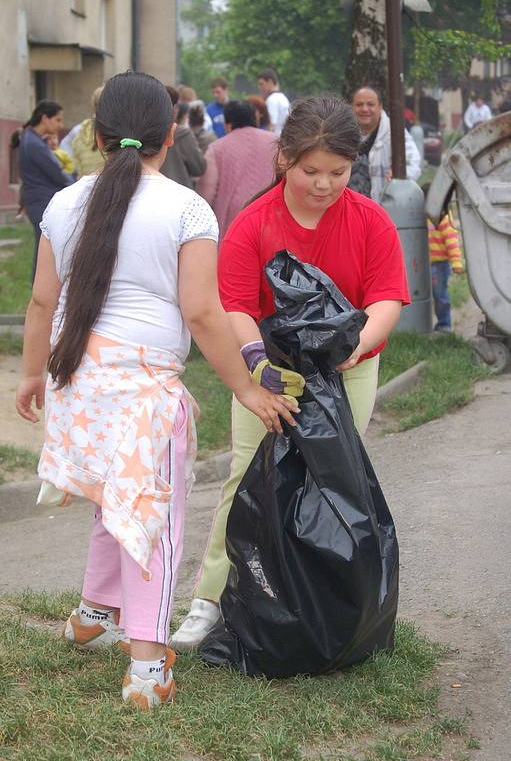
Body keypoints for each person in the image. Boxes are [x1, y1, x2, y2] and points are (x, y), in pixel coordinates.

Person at [15, 71, 297, 709]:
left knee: (113, 502)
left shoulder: (63, 202)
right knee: (152, 521)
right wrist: (248, 387)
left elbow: (40, 301)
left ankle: (93, 614)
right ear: (172, 135)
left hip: (77, 384)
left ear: (96, 133)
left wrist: (32, 374)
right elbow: (202, 314)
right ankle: (147, 667)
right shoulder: (185, 208)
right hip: (142, 390)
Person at [171, 95, 411, 652]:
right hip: (270, 372)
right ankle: (208, 601)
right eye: (310, 172)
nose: (323, 185)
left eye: (337, 172)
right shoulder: (254, 222)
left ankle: (324, 598)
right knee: (247, 476)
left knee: (331, 480)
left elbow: (387, 299)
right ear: (283, 159)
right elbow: (235, 303)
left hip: (346, 373)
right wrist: (256, 364)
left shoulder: (369, 219)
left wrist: (357, 346)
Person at [196, 100, 277, 240]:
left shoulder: (217, 148)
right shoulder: (277, 143)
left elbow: (206, 194)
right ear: (255, 119)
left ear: (227, 125)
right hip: (272, 216)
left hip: (232, 222)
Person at [17, 100, 74, 281]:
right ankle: (41, 290)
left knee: (43, 251)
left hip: (37, 202)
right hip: (41, 203)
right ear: (44, 118)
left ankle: (40, 288)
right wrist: (77, 184)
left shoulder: (30, 138)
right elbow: (57, 174)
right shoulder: (35, 145)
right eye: (57, 120)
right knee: (46, 253)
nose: (60, 125)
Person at [351, 86, 421, 202]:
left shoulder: (394, 132)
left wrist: (400, 174)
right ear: (352, 107)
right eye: (359, 104)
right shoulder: (342, 133)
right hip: (347, 208)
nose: (364, 109)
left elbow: (414, 162)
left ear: (380, 107)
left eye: (370, 104)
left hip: (380, 208)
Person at [425, 187, 464, 332]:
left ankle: (444, 325)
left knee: (440, 296)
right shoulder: (424, 217)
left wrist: (456, 263)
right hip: (426, 264)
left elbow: (452, 242)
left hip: (439, 265)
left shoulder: (443, 218)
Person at [160, 94, 207, 189]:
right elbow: (198, 168)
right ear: (175, 109)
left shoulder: (141, 133)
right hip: (180, 192)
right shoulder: (184, 134)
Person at [71, 86, 105, 177]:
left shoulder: (80, 133)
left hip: (85, 186)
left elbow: (77, 166)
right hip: (109, 187)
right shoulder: (116, 132)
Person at [257, 68, 290, 135]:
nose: (260, 87)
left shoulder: (272, 100)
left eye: (261, 84)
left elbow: (272, 125)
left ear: (270, 81)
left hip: (274, 140)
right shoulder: (284, 98)